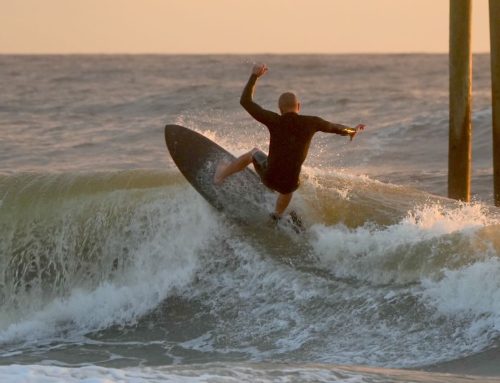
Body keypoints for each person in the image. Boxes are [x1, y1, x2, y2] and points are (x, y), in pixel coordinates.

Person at [214, 63, 365, 219]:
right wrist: (352, 131)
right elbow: (336, 127)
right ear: (298, 106)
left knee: (253, 153)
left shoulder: (274, 120)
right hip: (289, 185)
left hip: (269, 178)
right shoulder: (312, 122)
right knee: (291, 178)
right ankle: (277, 215)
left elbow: (245, 102)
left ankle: (220, 176)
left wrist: (254, 76)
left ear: (279, 108)